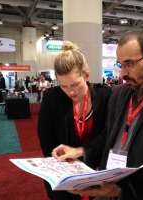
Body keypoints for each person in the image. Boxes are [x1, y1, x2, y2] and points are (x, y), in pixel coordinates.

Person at [54, 31, 143, 200]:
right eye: (121, 65)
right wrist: (80, 151)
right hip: (109, 189)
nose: (122, 73)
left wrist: (121, 190)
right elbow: (108, 136)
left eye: (129, 64)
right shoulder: (119, 93)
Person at [37, 41, 111, 200]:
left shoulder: (105, 96)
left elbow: (109, 135)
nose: (70, 92)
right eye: (63, 86)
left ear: (86, 75)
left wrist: (82, 152)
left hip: (97, 174)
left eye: (76, 84)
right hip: (64, 179)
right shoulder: (52, 98)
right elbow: (47, 142)